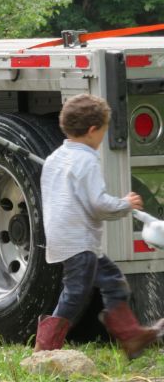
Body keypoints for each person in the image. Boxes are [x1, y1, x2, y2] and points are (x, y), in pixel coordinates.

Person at [36, 93, 164, 358]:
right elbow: (98, 205)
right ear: (93, 131)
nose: (103, 137)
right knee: (74, 295)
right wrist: (125, 204)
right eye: (104, 131)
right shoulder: (87, 161)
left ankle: (131, 337)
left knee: (113, 282)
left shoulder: (55, 158)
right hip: (80, 243)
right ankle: (44, 348)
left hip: (67, 239)